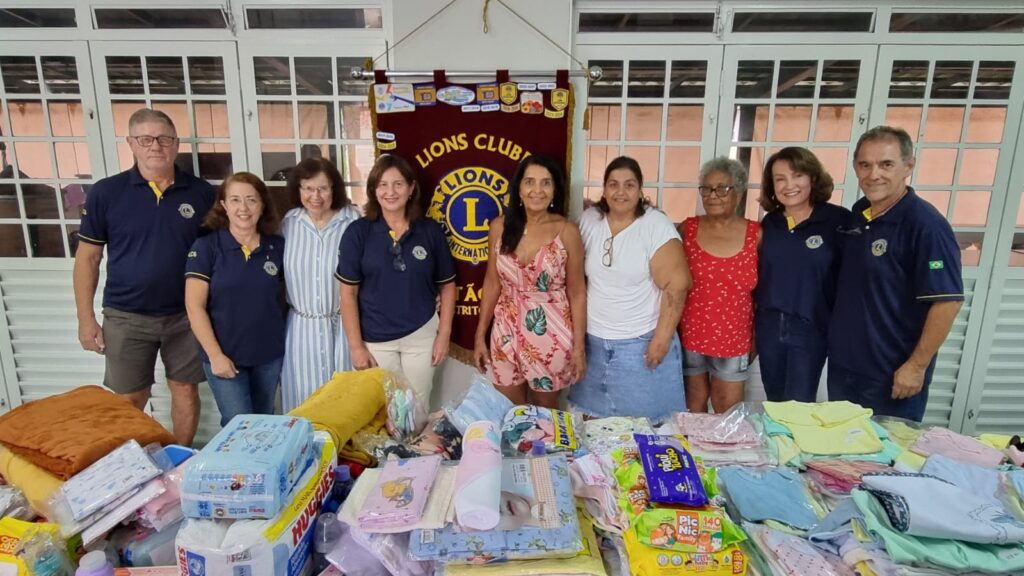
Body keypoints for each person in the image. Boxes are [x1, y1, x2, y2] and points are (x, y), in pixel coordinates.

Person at [73, 108, 213, 445]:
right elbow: (88, 258)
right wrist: (85, 319)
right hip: (126, 315)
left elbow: (215, 257)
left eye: (163, 139)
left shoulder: (201, 193)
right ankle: (133, 466)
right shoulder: (107, 193)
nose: (155, 146)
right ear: (131, 143)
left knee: (184, 389)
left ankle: (178, 457)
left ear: (176, 144)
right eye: (146, 139)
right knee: (129, 397)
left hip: (185, 315)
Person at [828, 126, 963, 421]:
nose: (874, 174)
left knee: (887, 450)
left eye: (886, 164)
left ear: (908, 166)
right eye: (865, 165)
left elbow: (947, 302)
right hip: (845, 368)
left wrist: (917, 366)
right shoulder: (859, 213)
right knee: (841, 447)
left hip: (891, 375)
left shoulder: (926, 225)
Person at [567, 156, 690, 422]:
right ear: (604, 189)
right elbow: (574, 277)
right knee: (594, 425)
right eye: (613, 184)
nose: (620, 192)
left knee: (645, 427)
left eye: (629, 185)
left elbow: (678, 284)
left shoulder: (655, 225)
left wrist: (661, 340)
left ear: (640, 190)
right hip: (594, 343)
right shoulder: (589, 220)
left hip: (640, 344)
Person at [337, 154, 456, 408]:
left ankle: (416, 437)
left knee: (418, 407)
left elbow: (447, 286)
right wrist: (356, 347)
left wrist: (444, 335)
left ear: (411, 188)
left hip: (422, 335)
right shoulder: (357, 233)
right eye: (382, 185)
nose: (390, 192)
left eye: (398, 184)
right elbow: (348, 294)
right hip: (375, 339)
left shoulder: (430, 231)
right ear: (373, 190)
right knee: (383, 409)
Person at [472, 155, 586, 409]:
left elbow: (577, 292)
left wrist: (579, 347)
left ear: (554, 190)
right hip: (504, 331)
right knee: (510, 412)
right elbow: (492, 283)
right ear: (519, 189)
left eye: (546, 183)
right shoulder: (499, 227)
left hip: (551, 334)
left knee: (546, 414)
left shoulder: (567, 231)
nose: (537, 190)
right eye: (530, 182)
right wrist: (480, 335)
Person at [184, 172, 286, 426]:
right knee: (238, 424)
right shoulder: (207, 247)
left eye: (251, 200)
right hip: (225, 355)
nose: (244, 208)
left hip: (268, 355)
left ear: (262, 205)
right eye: (235, 200)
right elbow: (194, 306)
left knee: (265, 422)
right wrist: (215, 355)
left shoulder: (277, 246)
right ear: (224, 205)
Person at [756, 147, 851, 402]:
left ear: (813, 177)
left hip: (811, 326)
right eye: (780, 179)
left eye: (797, 175)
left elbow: (853, 278)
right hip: (769, 326)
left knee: (799, 402)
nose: (789, 185)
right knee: (775, 401)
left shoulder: (838, 220)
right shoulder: (769, 224)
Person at [279, 158, 361, 412]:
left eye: (323, 188)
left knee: (346, 405)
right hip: (301, 330)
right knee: (303, 404)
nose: (315, 196)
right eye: (308, 188)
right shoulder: (288, 224)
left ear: (334, 188)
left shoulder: (353, 221)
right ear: (298, 189)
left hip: (345, 328)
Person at [679, 157, 759, 414]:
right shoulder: (687, 230)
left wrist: (757, 338)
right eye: (707, 189)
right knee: (693, 405)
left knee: (728, 409)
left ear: (739, 192)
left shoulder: (756, 235)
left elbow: (766, 292)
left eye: (722, 188)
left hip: (733, 337)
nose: (713, 195)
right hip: (690, 334)